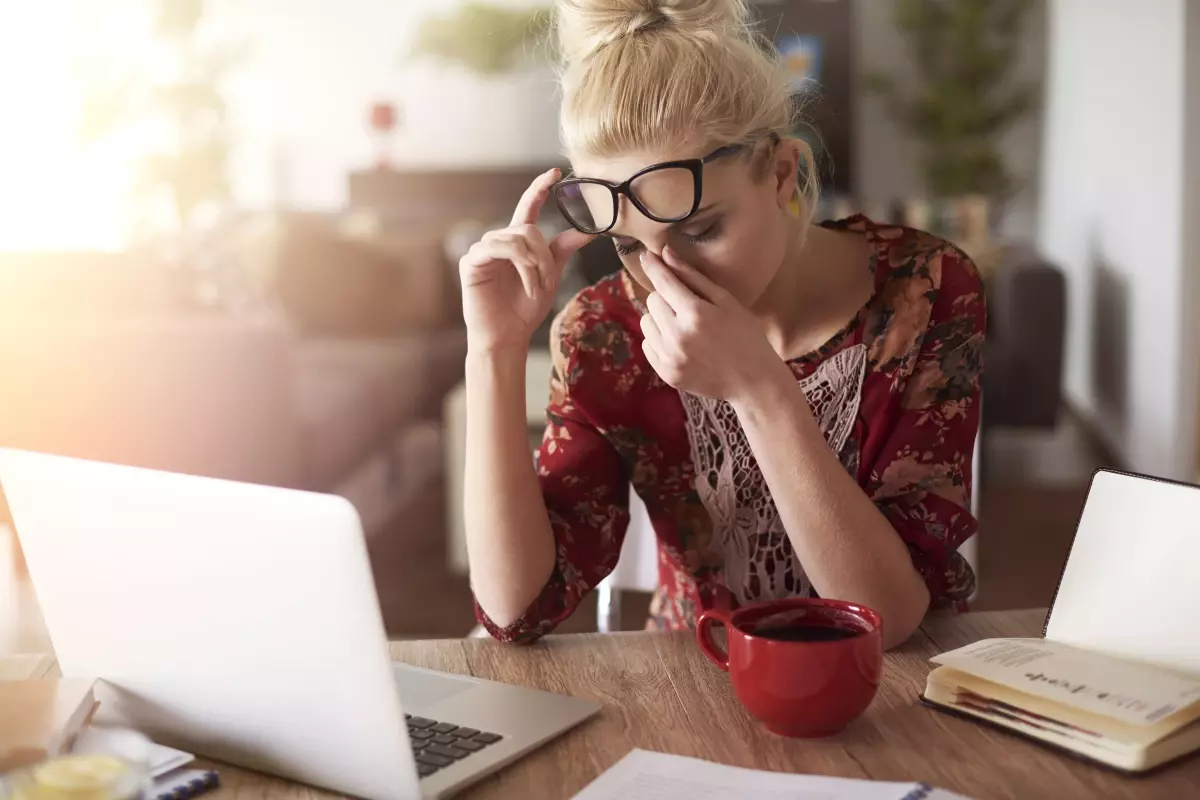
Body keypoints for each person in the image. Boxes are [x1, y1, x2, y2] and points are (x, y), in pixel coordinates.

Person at [459, 0, 985, 651]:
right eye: (629, 245)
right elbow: (516, 611)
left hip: (892, 700)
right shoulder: (606, 332)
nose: (668, 276)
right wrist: (494, 350)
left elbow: (889, 619)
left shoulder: (924, 290)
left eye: (702, 229)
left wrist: (760, 391)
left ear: (783, 174)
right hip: (697, 685)